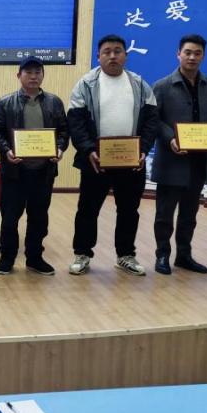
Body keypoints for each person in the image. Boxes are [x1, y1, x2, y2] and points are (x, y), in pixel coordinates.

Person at [67, 35, 159, 276]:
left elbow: (152, 121)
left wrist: (143, 149)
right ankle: (82, 254)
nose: (112, 56)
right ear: (98, 56)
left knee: (129, 210)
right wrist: (89, 150)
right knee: (88, 209)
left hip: (131, 162)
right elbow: (75, 122)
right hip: (95, 161)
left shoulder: (139, 84)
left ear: (125, 55)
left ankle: (126, 255)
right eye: (107, 51)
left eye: (118, 51)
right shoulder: (85, 84)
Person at [0, 56, 69, 275]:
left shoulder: (54, 102)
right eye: (29, 72)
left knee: (39, 218)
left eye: (37, 72)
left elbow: (64, 131)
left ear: (43, 75)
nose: (33, 77)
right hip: (14, 172)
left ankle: (35, 258)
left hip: (43, 171)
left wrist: (59, 148)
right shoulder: (5, 103)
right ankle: (7, 258)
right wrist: (6, 151)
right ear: (19, 75)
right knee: (10, 218)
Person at [151, 35, 207, 275]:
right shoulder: (162, 86)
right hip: (171, 160)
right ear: (178, 54)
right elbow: (154, 120)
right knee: (164, 214)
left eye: (197, 53)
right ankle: (162, 254)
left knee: (189, 214)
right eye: (188, 52)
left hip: (199, 162)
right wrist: (171, 138)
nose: (192, 57)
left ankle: (184, 255)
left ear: (203, 56)